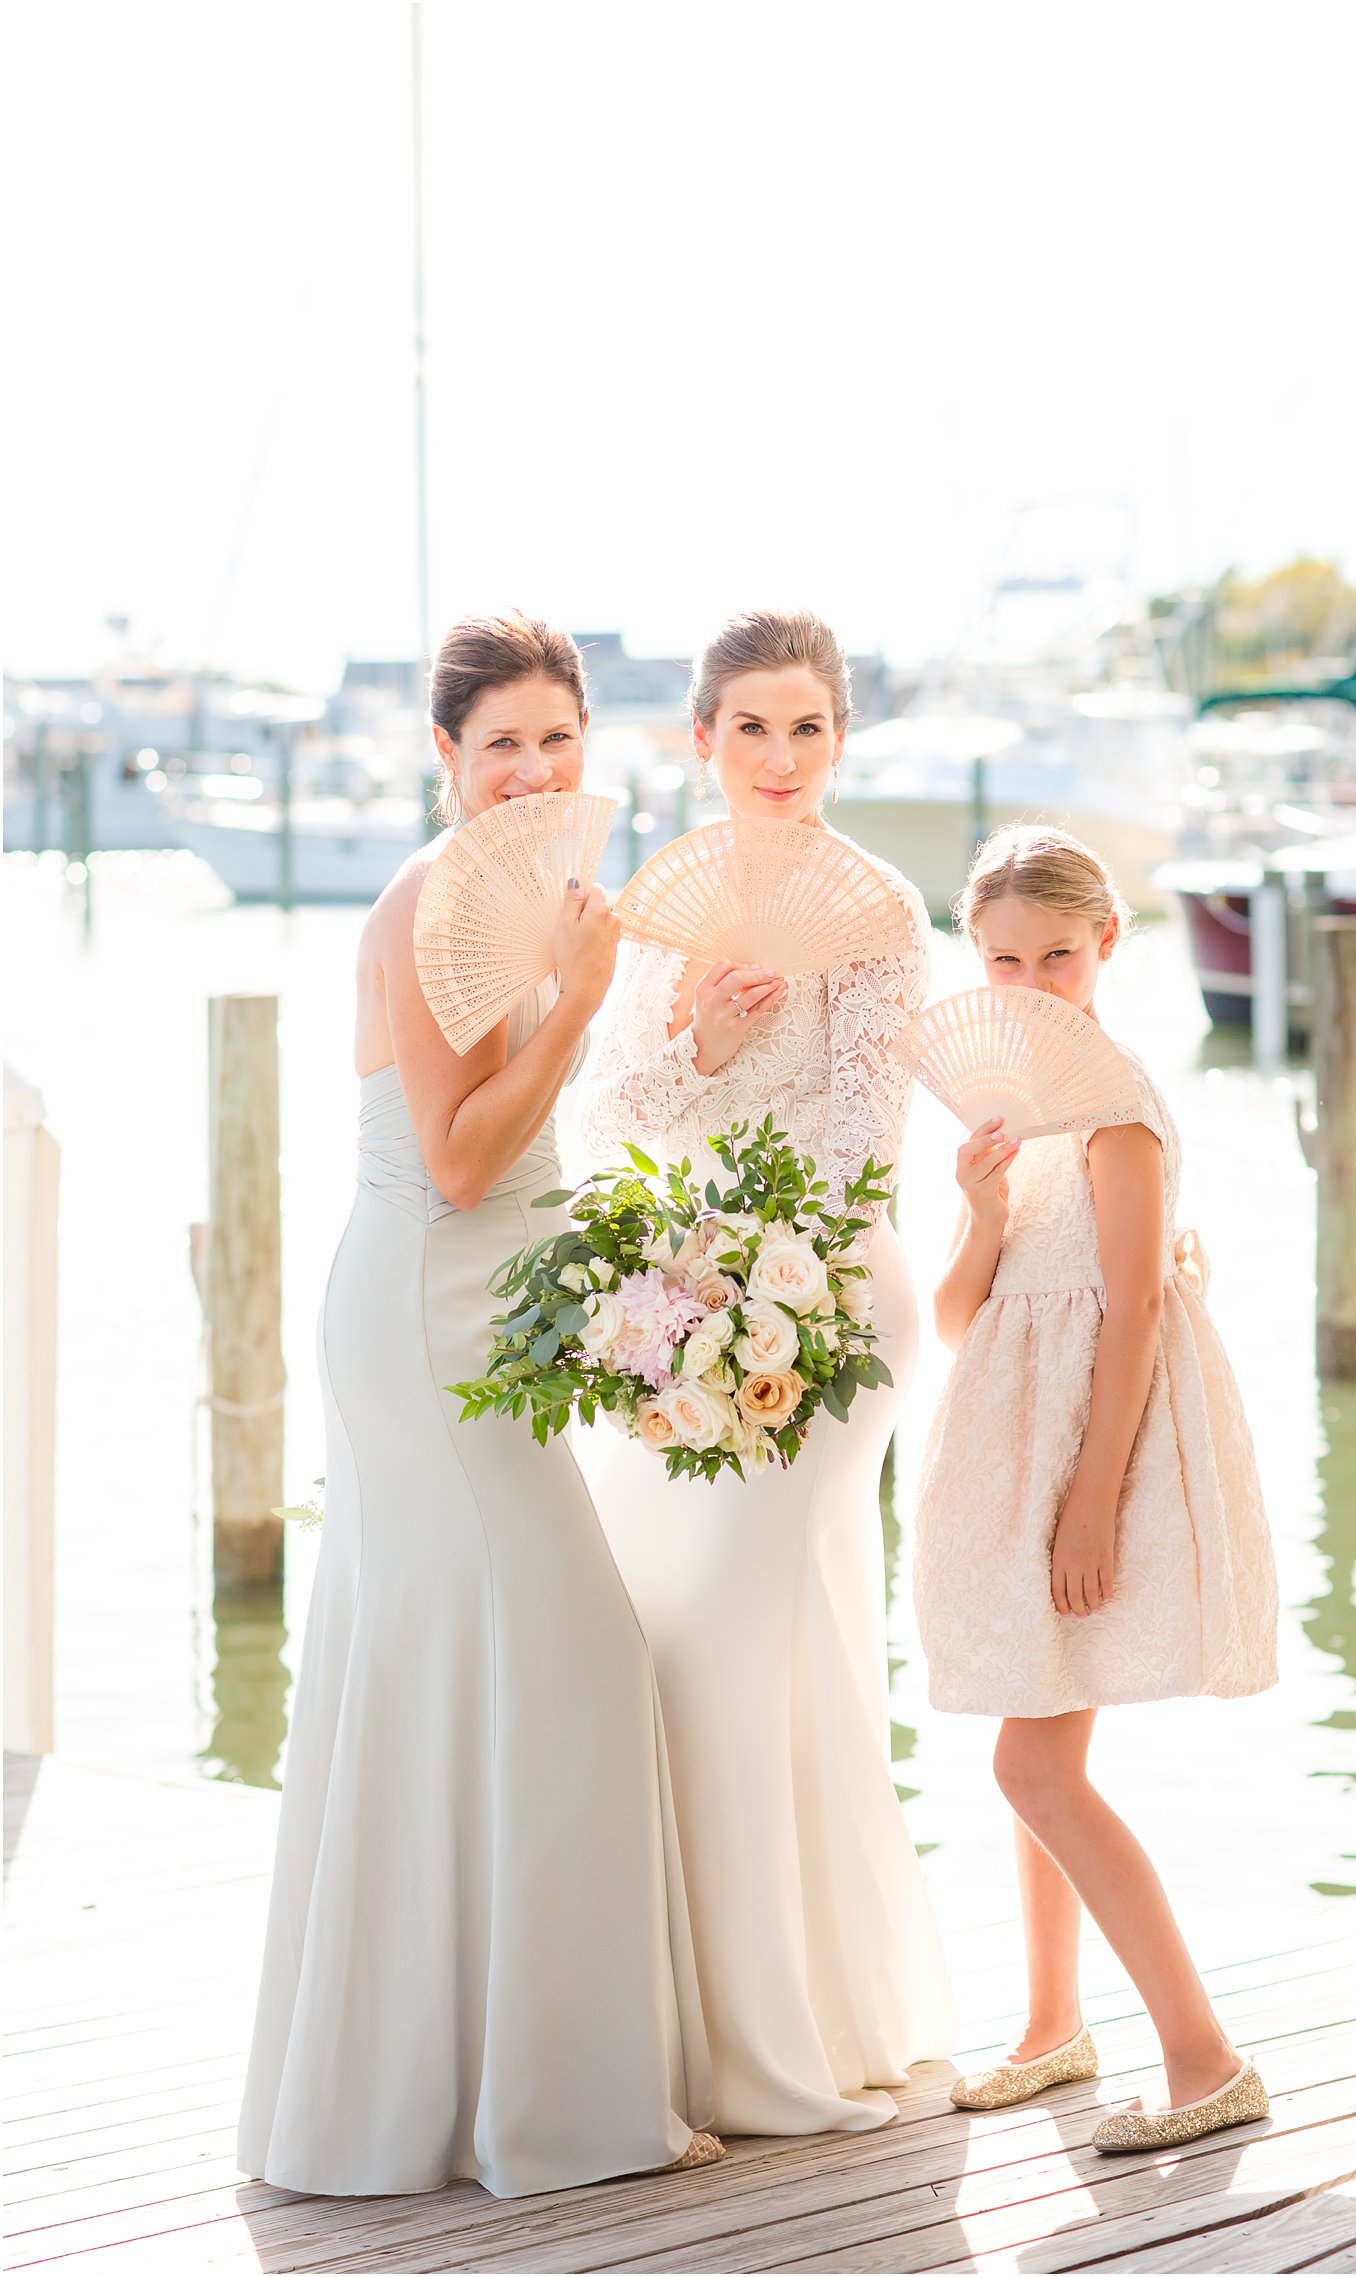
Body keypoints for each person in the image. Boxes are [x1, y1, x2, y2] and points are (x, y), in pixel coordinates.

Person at [238, 612, 718, 2199]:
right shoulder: (437, 899)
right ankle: (545, 2105)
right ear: (443, 754)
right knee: (578, 1658)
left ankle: (436, 2090)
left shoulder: (543, 904)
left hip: (487, 1315)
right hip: (430, 1320)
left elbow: (538, 1144)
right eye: (500, 741)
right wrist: (579, 1003)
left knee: (447, 1671)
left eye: (558, 740)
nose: (533, 768)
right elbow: (455, 1162)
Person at [577, 607, 954, 2137]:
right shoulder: (660, 916)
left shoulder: (880, 910)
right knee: (670, 1622)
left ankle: (781, 2034)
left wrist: (751, 1276)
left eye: (809, 728)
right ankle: (684, 2013)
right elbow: (601, 1127)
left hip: (830, 1305)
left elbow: (871, 1145)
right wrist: (703, 1057)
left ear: (841, 738)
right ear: (702, 742)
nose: (782, 758)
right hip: (682, 1305)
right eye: (753, 728)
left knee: (748, 1609)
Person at [914, 824, 1278, 2154]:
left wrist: (1091, 1498)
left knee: (1034, 1760)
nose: (1030, 982)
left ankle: (1203, 2051)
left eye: (1056, 955)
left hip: (1085, 1455)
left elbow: (1130, 1317)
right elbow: (960, 1320)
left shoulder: (1118, 1111)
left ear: (1106, 946)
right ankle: (1051, 2026)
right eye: (1003, 958)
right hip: (1008, 1452)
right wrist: (984, 1208)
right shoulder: (1010, 1120)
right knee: (1031, 1739)